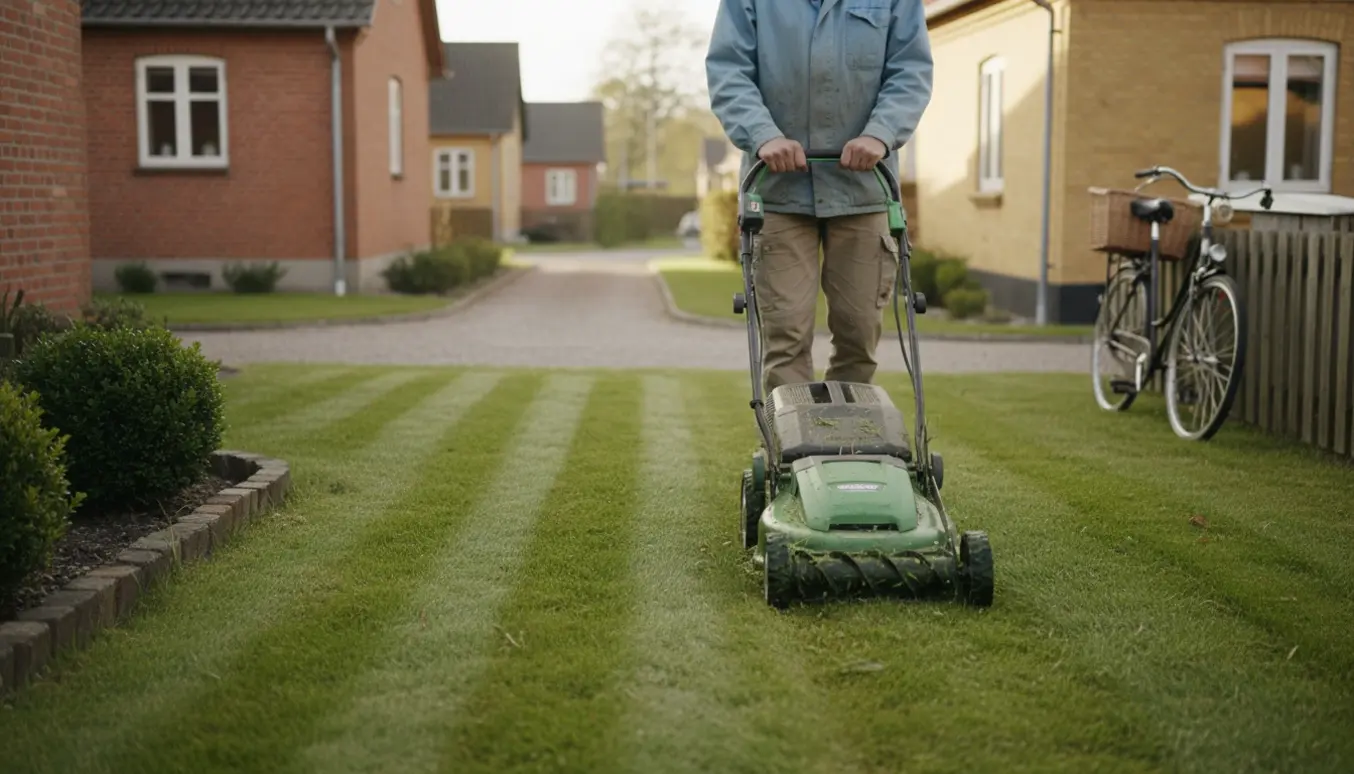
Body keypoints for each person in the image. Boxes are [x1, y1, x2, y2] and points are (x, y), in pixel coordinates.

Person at [706, 0, 933, 392]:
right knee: (786, 337)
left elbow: (910, 72)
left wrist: (880, 133)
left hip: (863, 192)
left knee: (858, 334)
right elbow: (729, 72)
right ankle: (790, 447)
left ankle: (852, 442)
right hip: (778, 194)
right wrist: (764, 135)